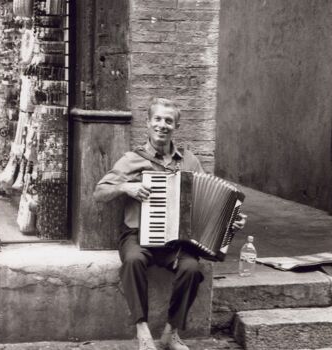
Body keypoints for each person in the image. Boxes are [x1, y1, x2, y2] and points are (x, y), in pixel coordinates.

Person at [93, 98, 246, 350]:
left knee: (192, 269)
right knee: (132, 261)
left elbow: (213, 205)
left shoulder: (189, 161)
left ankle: (170, 333)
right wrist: (126, 187)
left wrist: (231, 221)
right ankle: (142, 331)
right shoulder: (132, 160)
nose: (162, 125)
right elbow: (99, 192)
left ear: (176, 126)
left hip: (177, 241)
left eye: (168, 121)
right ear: (148, 123)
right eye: (158, 119)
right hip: (137, 234)